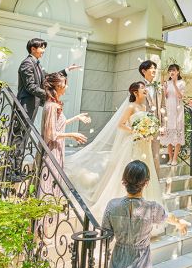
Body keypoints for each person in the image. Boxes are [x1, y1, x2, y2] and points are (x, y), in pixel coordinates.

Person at [65, 81, 164, 220]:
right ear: (135, 92)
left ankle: (145, 208)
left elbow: (146, 125)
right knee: (132, 171)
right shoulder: (131, 106)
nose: (145, 90)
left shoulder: (144, 107)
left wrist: (148, 133)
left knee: (145, 171)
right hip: (134, 144)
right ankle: (126, 208)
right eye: (142, 88)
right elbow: (121, 124)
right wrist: (136, 131)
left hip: (144, 145)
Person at [103, 160, 189, 268]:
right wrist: (179, 223)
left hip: (117, 264)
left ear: (124, 181)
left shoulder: (112, 206)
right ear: (146, 183)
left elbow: (105, 236)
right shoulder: (152, 208)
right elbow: (168, 217)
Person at [10, 37, 80, 181]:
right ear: (33, 49)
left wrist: (66, 70)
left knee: (24, 137)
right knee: (19, 137)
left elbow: (48, 78)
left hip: (32, 105)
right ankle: (11, 171)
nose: (43, 51)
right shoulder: (27, 64)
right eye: (41, 48)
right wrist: (50, 94)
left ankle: (17, 170)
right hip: (25, 105)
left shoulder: (37, 64)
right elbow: (30, 86)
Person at [38, 72, 90, 199]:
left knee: (55, 180)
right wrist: (72, 135)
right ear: (57, 86)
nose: (67, 87)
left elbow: (59, 125)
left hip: (57, 148)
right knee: (49, 180)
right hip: (52, 150)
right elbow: (51, 134)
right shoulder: (51, 106)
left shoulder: (53, 103)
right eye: (64, 84)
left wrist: (76, 118)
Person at [139, 60, 163, 177]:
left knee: (155, 156)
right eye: (151, 68)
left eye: (155, 68)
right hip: (142, 126)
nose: (154, 70)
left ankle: (155, 181)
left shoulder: (159, 87)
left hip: (156, 126)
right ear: (144, 71)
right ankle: (141, 180)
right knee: (142, 155)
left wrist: (163, 125)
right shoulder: (138, 87)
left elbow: (162, 106)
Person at [159, 64, 186, 166]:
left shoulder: (181, 82)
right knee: (168, 135)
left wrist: (174, 84)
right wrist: (164, 88)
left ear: (178, 71)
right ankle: (170, 158)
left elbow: (180, 96)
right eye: (170, 71)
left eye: (173, 70)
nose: (171, 72)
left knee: (177, 134)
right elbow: (165, 96)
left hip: (178, 110)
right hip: (168, 110)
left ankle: (175, 158)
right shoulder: (167, 83)